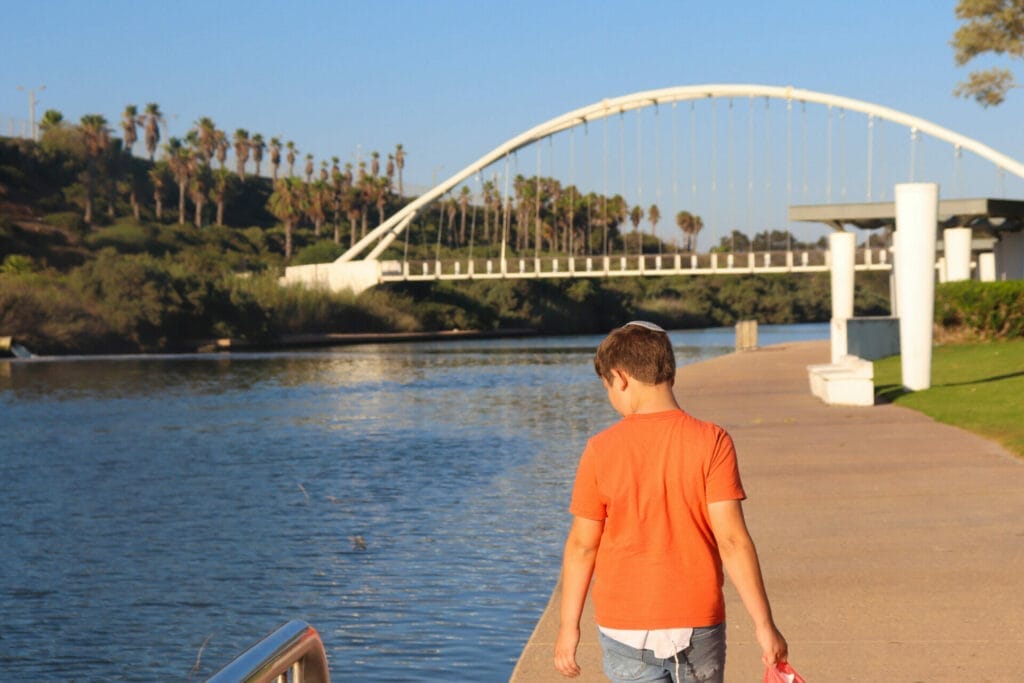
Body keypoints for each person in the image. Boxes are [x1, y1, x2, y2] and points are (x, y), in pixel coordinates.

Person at [554, 321, 787, 682]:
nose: (611, 398)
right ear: (669, 373)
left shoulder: (600, 449)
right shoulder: (712, 441)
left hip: (623, 624)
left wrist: (569, 627)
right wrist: (764, 625)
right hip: (696, 620)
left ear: (620, 377)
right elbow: (732, 540)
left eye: (607, 388)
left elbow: (583, 546)